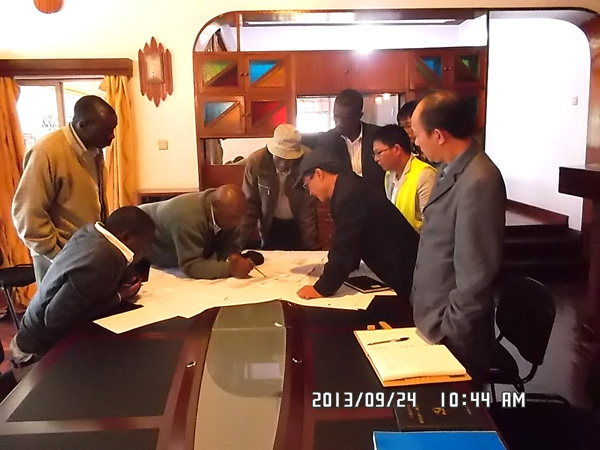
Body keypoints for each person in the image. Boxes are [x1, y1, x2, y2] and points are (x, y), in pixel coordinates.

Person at [410, 90, 506, 382]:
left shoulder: (479, 180)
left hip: (453, 336)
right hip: (432, 322)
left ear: (439, 135)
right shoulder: (448, 169)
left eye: (417, 134)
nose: (415, 142)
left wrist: (448, 331)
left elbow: (475, 275)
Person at [10, 206, 155, 377]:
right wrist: (119, 296)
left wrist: (127, 273)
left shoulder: (91, 233)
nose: (145, 252)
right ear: (125, 236)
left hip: (31, 338)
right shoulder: (102, 257)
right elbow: (55, 319)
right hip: (36, 356)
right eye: (145, 246)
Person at [12, 95, 117, 283]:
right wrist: (58, 256)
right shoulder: (47, 152)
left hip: (85, 254)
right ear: (82, 125)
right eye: (107, 130)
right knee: (60, 303)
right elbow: (27, 215)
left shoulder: (93, 151)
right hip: (58, 258)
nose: (112, 136)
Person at [296, 151, 419, 300]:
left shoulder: (349, 194)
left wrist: (321, 288)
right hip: (403, 267)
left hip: (409, 271)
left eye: (306, 185)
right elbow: (353, 239)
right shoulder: (347, 187)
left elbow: (343, 247)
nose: (310, 192)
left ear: (319, 174)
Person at [140, 185, 254, 279]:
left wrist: (233, 255)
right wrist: (229, 269)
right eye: (232, 218)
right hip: (142, 239)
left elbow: (229, 246)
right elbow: (190, 265)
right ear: (215, 206)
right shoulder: (188, 217)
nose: (237, 223)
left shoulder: (229, 211)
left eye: (241, 217)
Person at [242, 124, 319, 250]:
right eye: (279, 157)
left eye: (289, 159)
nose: (283, 164)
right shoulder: (256, 163)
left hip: (298, 225)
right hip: (270, 224)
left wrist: (312, 248)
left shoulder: (308, 162)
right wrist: (237, 245)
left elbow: (308, 210)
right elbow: (249, 206)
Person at [301, 89, 384, 194]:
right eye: (336, 117)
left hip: (377, 198)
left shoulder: (378, 135)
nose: (339, 122)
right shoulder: (326, 141)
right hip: (343, 200)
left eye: (345, 118)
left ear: (359, 116)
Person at [372, 125, 436, 232]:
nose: (376, 159)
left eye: (379, 153)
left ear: (397, 149)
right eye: (374, 154)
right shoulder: (389, 175)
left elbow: (430, 224)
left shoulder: (424, 175)